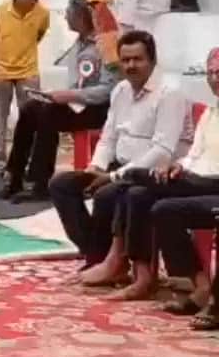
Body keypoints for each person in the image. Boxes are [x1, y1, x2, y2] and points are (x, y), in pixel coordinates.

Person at [48, 31, 191, 278]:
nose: (131, 66)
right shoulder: (121, 91)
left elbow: (162, 151)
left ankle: (104, 262)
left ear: (153, 61)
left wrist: (114, 176)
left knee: (107, 194)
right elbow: (109, 137)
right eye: (125, 61)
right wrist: (96, 167)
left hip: (154, 172)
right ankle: (99, 256)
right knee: (61, 184)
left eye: (138, 59)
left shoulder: (170, 94)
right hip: (118, 167)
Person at [90, 49, 219, 304]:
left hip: (214, 184)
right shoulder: (211, 112)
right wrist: (180, 166)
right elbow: (194, 155)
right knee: (145, 198)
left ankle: (129, 176)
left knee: (139, 179)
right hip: (195, 179)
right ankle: (153, 277)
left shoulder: (169, 94)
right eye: (211, 73)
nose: (215, 79)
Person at [0, 0, 120, 201]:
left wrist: (71, 95)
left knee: (49, 113)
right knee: (29, 108)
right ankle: (14, 175)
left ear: (83, 16)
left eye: (69, 11)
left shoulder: (107, 44)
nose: (66, 16)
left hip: (101, 109)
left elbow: (108, 91)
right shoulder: (80, 44)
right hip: (78, 104)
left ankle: (39, 182)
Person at [0, 0, 49, 176]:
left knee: (31, 118)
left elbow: (38, 36)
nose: (33, 2)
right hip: (0, 72)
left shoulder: (43, 14)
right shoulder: (0, 11)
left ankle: (25, 164)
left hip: (28, 72)